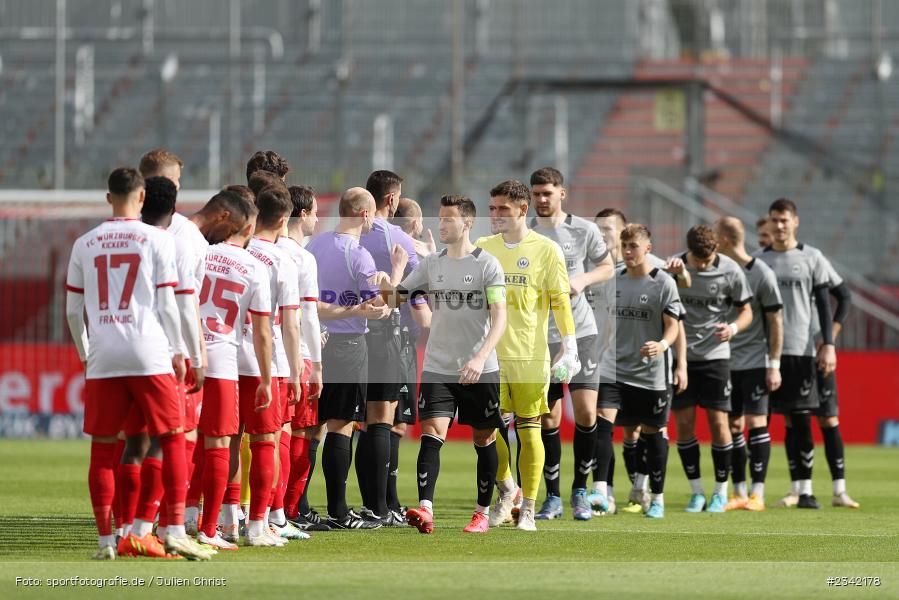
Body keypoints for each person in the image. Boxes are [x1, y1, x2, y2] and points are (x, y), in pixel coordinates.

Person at [65, 167, 212, 560]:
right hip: (150, 352)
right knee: (172, 437)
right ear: (142, 197)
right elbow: (168, 304)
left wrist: (85, 355)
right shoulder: (157, 240)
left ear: (108, 196)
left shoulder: (85, 243)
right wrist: (185, 353)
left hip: (103, 354)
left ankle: (105, 542)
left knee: (103, 450)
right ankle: (173, 529)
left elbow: (71, 310)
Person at [382, 194, 507, 533]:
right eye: (440, 218)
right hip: (438, 366)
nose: (441, 224)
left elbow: (499, 318)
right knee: (431, 433)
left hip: (480, 368)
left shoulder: (487, 265)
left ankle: (481, 513)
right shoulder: (432, 263)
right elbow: (396, 297)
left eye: (448, 218)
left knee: (484, 439)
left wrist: (480, 358)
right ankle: (426, 510)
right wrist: (385, 279)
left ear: (467, 223)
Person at [475, 179, 580, 531]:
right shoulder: (482, 247)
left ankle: (530, 509)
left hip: (530, 356)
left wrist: (570, 346)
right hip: (489, 356)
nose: (496, 215)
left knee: (530, 427)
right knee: (487, 430)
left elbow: (560, 300)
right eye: (492, 208)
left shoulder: (545, 250)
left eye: (503, 208)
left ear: (522, 210)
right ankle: (508, 489)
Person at [306, 187, 401, 529]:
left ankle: (298, 507)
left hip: (314, 342)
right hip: (347, 345)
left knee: (311, 427)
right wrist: (394, 277)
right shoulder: (359, 255)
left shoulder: (313, 245)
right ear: (364, 214)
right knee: (341, 426)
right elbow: (385, 307)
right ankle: (339, 511)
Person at [192, 191, 279, 549]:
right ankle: (212, 529)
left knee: (186, 443)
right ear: (248, 228)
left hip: (189, 355)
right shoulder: (256, 267)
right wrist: (266, 378)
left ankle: (179, 520)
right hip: (225, 360)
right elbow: (262, 330)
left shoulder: (200, 251)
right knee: (222, 445)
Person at [528, 167, 614, 521]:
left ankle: (580, 490)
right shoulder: (525, 233)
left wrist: (583, 279)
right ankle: (552, 497)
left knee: (586, 412)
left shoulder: (583, 229)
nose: (541, 200)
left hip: (580, 331)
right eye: (536, 194)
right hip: (539, 335)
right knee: (547, 418)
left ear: (562, 193)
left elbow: (607, 266)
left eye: (547, 193)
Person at [590, 208, 689, 515]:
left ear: (648, 248)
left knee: (652, 435)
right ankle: (601, 492)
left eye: (634, 246)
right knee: (601, 423)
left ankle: (654, 496)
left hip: (650, 374)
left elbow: (673, 326)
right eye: (625, 246)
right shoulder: (613, 280)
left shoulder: (663, 283)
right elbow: (607, 325)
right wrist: (595, 355)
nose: (628, 252)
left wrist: (662, 345)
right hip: (614, 368)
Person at [755, 199, 844, 509]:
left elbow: (827, 301)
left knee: (800, 418)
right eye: (775, 220)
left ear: (795, 222)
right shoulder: (758, 261)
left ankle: (803, 490)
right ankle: (755, 491)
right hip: (763, 353)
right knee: (759, 420)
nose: (779, 226)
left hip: (801, 350)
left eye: (784, 220)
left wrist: (829, 342)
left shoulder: (811, 257)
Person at [357, 170, 429, 526]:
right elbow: (415, 291)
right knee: (384, 419)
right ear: (391, 200)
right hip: (388, 334)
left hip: (351, 334)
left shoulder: (345, 235)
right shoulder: (397, 238)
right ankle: (381, 507)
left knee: (356, 423)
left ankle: (368, 504)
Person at [236, 186, 304, 544]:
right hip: (268, 363)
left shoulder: (234, 251)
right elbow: (291, 324)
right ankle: (260, 524)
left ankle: (225, 518)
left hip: (227, 357)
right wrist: (296, 372)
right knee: (266, 441)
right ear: (284, 219)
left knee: (225, 442)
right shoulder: (282, 260)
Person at [673, 225, 753, 514]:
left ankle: (721, 491)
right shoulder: (675, 266)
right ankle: (696, 492)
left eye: (707, 260)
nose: (702, 265)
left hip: (716, 357)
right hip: (681, 357)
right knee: (683, 424)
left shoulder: (731, 271)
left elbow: (747, 311)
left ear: (716, 250)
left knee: (720, 424)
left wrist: (732, 327)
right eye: (698, 260)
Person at [714, 217, 783, 512]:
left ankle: (758, 493)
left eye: (716, 237)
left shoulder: (761, 273)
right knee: (733, 425)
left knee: (756, 423)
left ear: (727, 240)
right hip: (723, 361)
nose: (713, 242)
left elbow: (775, 319)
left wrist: (774, 363)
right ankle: (738, 492)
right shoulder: (716, 270)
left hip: (754, 361)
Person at [278, 186, 330, 531]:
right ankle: (288, 511)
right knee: (306, 433)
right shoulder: (301, 256)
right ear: (301, 215)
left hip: (265, 354)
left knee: (266, 435)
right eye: (313, 212)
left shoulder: (262, 249)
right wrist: (319, 362)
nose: (316, 218)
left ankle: (264, 511)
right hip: (301, 356)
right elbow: (308, 315)